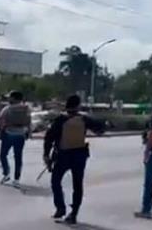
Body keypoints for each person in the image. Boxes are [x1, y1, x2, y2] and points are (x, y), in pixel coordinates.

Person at [43, 94, 105, 224]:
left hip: (63, 156)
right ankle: (74, 213)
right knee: (77, 185)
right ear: (78, 105)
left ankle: (60, 207)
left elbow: (49, 138)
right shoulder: (84, 119)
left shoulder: (60, 119)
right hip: (79, 156)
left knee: (55, 181)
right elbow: (100, 130)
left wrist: (46, 155)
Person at [0, 90, 31, 187]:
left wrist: (1, 130)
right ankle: (16, 179)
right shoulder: (26, 109)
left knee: (3, 155)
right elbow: (29, 122)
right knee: (18, 157)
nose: (8, 99)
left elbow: (0, 121)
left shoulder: (7, 109)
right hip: (21, 134)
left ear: (14, 98)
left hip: (8, 133)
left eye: (10, 97)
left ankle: (6, 173)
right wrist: (28, 132)